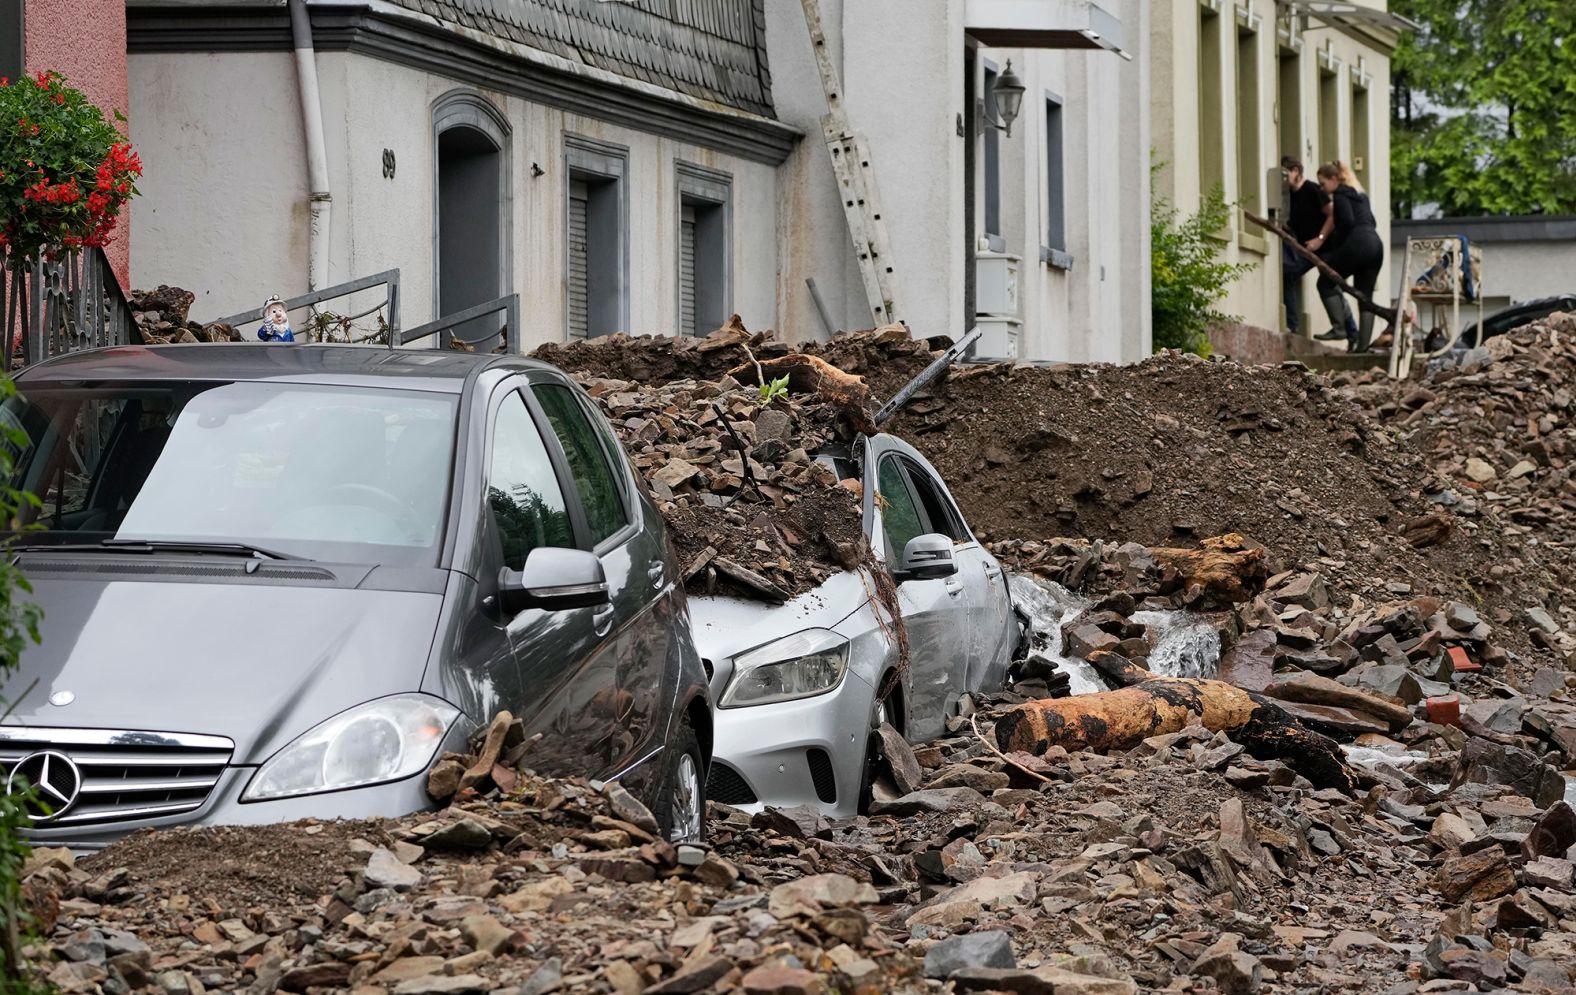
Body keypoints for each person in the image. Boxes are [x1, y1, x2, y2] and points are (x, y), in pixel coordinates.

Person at [1310, 161, 1384, 353]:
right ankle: (1363, 347)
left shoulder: (1341, 194)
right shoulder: (1360, 195)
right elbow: (1372, 221)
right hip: (1375, 245)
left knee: (1325, 281)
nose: (1322, 188)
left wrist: (1336, 248)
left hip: (1357, 243)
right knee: (1365, 295)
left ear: (1334, 179)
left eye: (1323, 183)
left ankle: (1339, 328)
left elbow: (1346, 222)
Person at [1279, 155, 1350, 340]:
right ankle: (1292, 326)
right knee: (1289, 273)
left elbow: (1332, 215)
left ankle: (1351, 332)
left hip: (1325, 247)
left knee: (1331, 285)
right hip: (1305, 249)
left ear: (1296, 171)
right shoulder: (1289, 195)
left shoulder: (1312, 189)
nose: (1284, 178)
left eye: (1287, 173)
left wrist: (1319, 238)